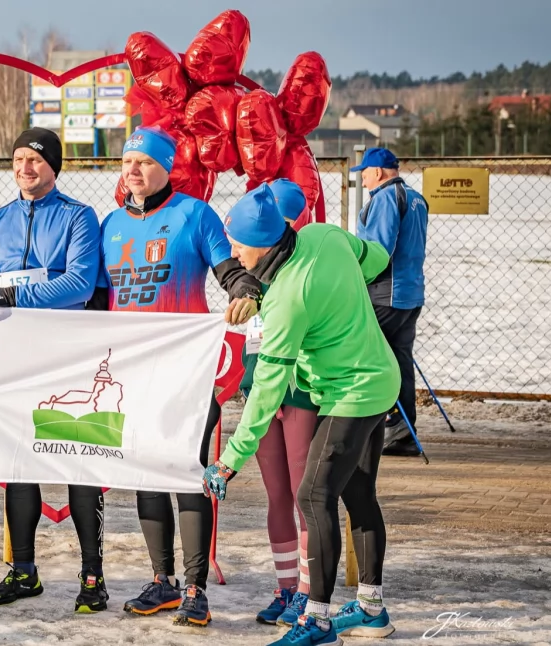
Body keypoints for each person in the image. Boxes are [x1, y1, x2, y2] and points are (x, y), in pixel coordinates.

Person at [203, 184, 400, 646]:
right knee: (358, 494)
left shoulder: (289, 301)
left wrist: (229, 461)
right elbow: (375, 259)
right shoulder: (322, 236)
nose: (234, 254)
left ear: (264, 244)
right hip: (380, 378)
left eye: (238, 245)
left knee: (313, 496)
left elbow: (267, 391)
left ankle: (318, 621)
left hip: (351, 393)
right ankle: (371, 609)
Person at [87, 127, 262, 627]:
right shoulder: (111, 224)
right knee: (145, 471)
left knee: (187, 472)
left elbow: (229, 270)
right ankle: (162, 580)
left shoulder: (194, 214)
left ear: (166, 167)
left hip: (187, 369)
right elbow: (96, 301)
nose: (134, 170)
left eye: (144, 162)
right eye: (127, 162)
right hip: (132, 371)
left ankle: (194, 587)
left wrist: (245, 287)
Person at [0, 127, 108, 613]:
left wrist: (16, 295)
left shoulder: (79, 216)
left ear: (53, 166)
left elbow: (79, 284)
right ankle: (23, 571)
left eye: (35, 159)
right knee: (18, 465)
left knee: (79, 461)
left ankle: (93, 576)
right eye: (18, 159)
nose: (25, 167)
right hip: (12, 360)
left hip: (66, 357)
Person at [239, 180, 319, 627]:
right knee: (277, 497)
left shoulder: (305, 267)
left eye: (285, 223)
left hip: (301, 392)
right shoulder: (252, 269)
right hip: (261, 389)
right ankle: (286, 587)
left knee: (305, 496)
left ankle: (307, 592)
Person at [352, 147, 429, 457]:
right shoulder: (415, 197)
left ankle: (376, 427)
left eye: (364, 173)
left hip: (387, 294)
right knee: (399, 359)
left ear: (378, 172)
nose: (362, 179)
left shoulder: (385, 199)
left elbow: (378, 252)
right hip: (410, 293)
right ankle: (402, 430)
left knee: (369, 357)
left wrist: (355, 277)